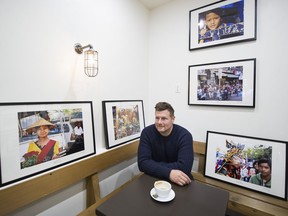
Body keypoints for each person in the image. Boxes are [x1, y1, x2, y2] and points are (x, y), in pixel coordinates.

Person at [137, 102, 194, 186]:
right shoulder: (147, 133)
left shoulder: (185, 136)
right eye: (157, 118)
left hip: (179, 180)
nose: (159, 122)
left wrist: (152, 165)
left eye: (164, 118)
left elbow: (185, 168)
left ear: (173, 119)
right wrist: (169, 173)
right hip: (154, 178)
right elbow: (142, 164)